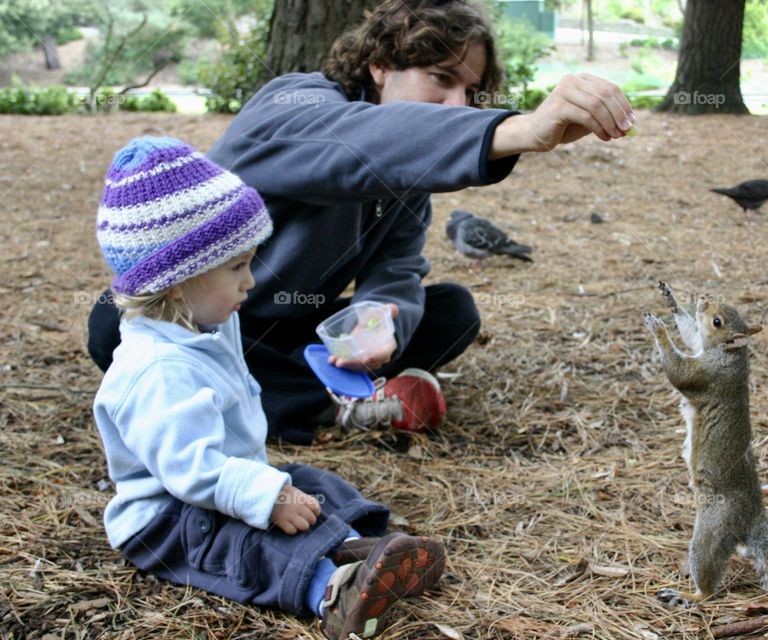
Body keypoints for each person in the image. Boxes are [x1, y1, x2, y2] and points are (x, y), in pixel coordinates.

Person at [86, 0, 635, 445]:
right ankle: (338, 405)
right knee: (116, 323)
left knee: (453, 311)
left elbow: (398, 263)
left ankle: (307, 390)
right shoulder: (295, 102)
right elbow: (357, 144)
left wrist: (376, 319)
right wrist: (516, 130)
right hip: (209, 317)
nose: (456, 106)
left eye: (472, 94)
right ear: (379, 66)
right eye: (439, 79)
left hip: (298, 327)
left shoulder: (414, 172)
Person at [92, 136, 446, 639]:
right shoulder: (154, 370)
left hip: (226, 479)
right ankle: (332, 591)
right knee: (253, 542)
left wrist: (272, 488)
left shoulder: (205, 324)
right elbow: (188, 471)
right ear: (176, 281)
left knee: (310, 481)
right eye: (237, 266)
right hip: (170, 519)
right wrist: (266, 496)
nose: (251, 281)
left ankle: (360, 548)